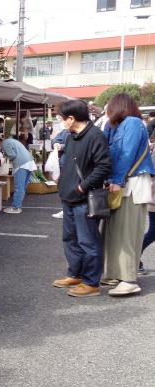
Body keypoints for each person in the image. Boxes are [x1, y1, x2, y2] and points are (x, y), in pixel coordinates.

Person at [51, 100, 112, 297]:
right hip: (68, 196)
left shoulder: (95, 136)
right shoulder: (71, 137)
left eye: (61, 118)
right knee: (70, 239)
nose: (60, 122)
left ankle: (91, 282)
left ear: (71, 118)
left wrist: (82, 185)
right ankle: (76, 274)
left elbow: (104, 167)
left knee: (88, 242)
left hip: (85, 198)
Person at [101, 94, 155, 296]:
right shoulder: (121, 124)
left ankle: (129, 279)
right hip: (124, 184)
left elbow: (125, 155)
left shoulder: (132, 123)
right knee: (114, 232)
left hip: (129, 185)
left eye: (109, 108)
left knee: (126, 234)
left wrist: (116, 180)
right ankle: (116, 274)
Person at [1, 134, 36, 214]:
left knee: (19, 187)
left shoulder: (4, 143)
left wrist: (6, 155)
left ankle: (16, 207)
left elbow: (12, 155)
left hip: (21, 164)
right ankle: (17, 205)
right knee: (22, 187)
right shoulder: (13, 141)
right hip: (30, 162)